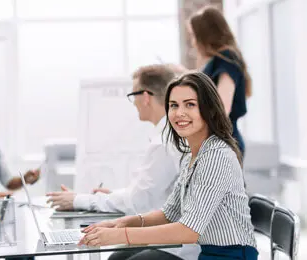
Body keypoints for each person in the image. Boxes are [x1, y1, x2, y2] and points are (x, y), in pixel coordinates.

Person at [79, 72, 258, 260]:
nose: (179, 113)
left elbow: (189, 231)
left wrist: (122, 235)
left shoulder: (216, 156)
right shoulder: (194, 154)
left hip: (232, 256)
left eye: (190, 104)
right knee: (118, 258)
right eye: (174, 105)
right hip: (209, 254)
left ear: (210, 110)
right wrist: (124, 223)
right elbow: (170, 213)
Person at [47, 65, 200, 260]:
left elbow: (138, 201)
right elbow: (150, 195)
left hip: (179, 247)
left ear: (145, 97)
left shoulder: (165, 142)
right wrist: (109, 199)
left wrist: (80, 200)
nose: (133, 102)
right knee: (116, 257)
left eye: (133, 95)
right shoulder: (167, 137)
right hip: (171, 238)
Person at [170, 6, 251, 157]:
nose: (193, 43)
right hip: (220, 141)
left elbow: (221, 108)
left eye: (194, 36)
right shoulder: (219, 61)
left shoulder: (226, 60)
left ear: (206, 37)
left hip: (224, 144)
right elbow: (209, 86)